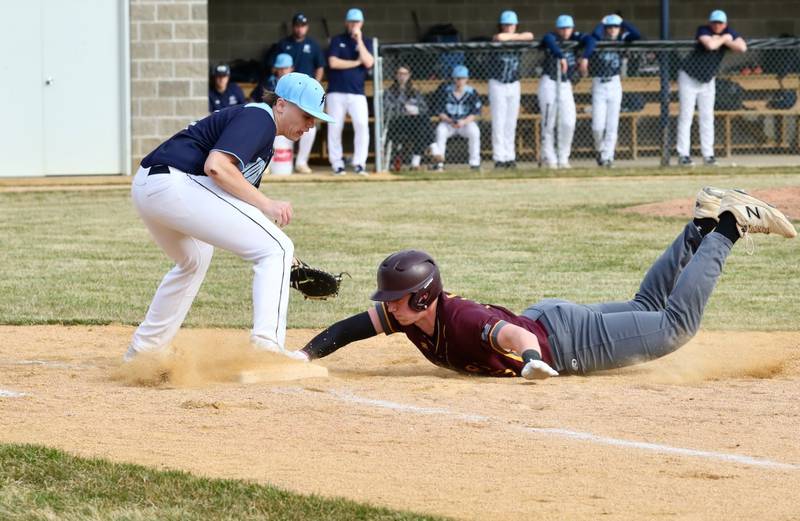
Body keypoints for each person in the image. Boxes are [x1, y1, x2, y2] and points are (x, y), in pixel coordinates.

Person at [287, 188, 796, 379]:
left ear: (421, 297)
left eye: (395, 299)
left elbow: (512, 337)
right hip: (552, 318)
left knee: (673, 326)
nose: (387, 308)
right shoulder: (411, 316)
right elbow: (354, 327)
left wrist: (533, 362)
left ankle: (725, 225)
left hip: (566, 340)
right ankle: (699, 227)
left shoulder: (460, 319)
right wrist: (307, 355)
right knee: (646, 306)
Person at [125, 73, 336, 362]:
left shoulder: (263, 136)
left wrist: (288, 263)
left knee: (195, 259)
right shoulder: (259, 118)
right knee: (277, 248)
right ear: (282, 104)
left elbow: (232, 199)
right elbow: (217, 167)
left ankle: (143, 353)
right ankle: (267, 349)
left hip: (151, 186)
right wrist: (268, 206)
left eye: (315, 118)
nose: (312, 124)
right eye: (307, 114)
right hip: (173, 184)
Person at [676, 10, 747, 167]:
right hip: (689, 77)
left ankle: (708, 155)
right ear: (710, 23)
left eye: (720, 23)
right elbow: (710, 44)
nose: (717, 25)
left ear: (725, 24)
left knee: (707, 117)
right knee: (686, 116)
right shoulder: (703, 30)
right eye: (714, 22)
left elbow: (742, 48)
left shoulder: (729, 32)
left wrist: (725, 38)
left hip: (708, 81)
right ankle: (683, 155)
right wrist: (725, 39)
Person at [265, 13, 326, 173]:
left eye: (303, 25)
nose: (300, 28)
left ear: (307, 27)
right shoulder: (283, 44)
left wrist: (316, 86)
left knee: (309, 128)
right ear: (293, 26)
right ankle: (270, 164)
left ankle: (301, 162)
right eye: (297, 25)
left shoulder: (312, 44)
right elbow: (271, 65)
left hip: (304, 96)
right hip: (288, 94)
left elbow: (320, 66)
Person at [538, 15, 597, 169]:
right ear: (557, 28)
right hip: (549, 82)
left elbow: (591, 41)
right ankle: (549, 157)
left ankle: (563, 157)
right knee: (549, 122)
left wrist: (585, 58)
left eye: (568, 28)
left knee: (569, 122)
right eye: (562, 28)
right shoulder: (552, 37)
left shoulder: (577, 37)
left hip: (565, 85)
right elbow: (548, 40)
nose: (565, 32)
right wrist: (561, 56)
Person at [326, 8, 374, 176]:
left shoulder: (366, 42)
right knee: (335, 127)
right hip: (336, 91)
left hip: (357, 93)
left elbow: (368, 62)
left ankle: (359, 163)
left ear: (361, 23)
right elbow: (333, 62)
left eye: (357, 22)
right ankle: (337, 164)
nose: (354, 25)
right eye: (352, 22)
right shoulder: (337, 40)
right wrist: (355, 63)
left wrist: (359, 40)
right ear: (346, 22)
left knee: (362, 126)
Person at [589, 14, 641, 168]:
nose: (613, 30)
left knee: (612, 124)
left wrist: (622, 21)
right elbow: (595, 34)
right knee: (597, 126)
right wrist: (602, 22)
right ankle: (599, 150)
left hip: (614, 83)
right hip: (599, 83)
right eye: (610, 27)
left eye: (615, 27)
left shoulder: (622, 38)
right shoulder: (599, 38)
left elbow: (637, 34)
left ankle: (608, 157)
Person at [489, 10, 534, 170]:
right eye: (506, 25)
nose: (509, 28)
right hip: (498, 84)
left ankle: (510, 156)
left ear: (516, 25)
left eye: (512, 25)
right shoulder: (497, 37)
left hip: (514, 84)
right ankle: (499, 157)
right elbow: (500, 38)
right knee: (499, 122)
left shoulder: (518, 38)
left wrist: (515, 37)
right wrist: (516, 37)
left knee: (511, 122)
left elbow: (530, 36)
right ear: (501, 25)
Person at [430, 65, 482, 172]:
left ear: (467, 79)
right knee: (440, 131)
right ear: (453, 79)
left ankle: (475, 164)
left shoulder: (471, 92)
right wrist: (450, 120)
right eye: (457, 78)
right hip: (448, 123)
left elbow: (474, 113)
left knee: (475, 131)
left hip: (465, 123)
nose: (460, 81)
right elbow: (440, 111)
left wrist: (464, 122)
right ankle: (439, 164)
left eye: (462, 78)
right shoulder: (445, 91)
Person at [383, 65, 431, 171]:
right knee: (422, 124)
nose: (402, 76)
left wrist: (416, 110)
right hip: (396, 123)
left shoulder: (415, 92)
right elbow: (387, 109)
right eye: (400, 74)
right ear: (396, 76)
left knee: (423, 121)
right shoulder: (389, 92)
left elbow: (424, 108)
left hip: (414, 123)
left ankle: (415, 162)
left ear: (409, 76)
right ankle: (428, 150)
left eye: (405, 74)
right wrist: (403, 109)